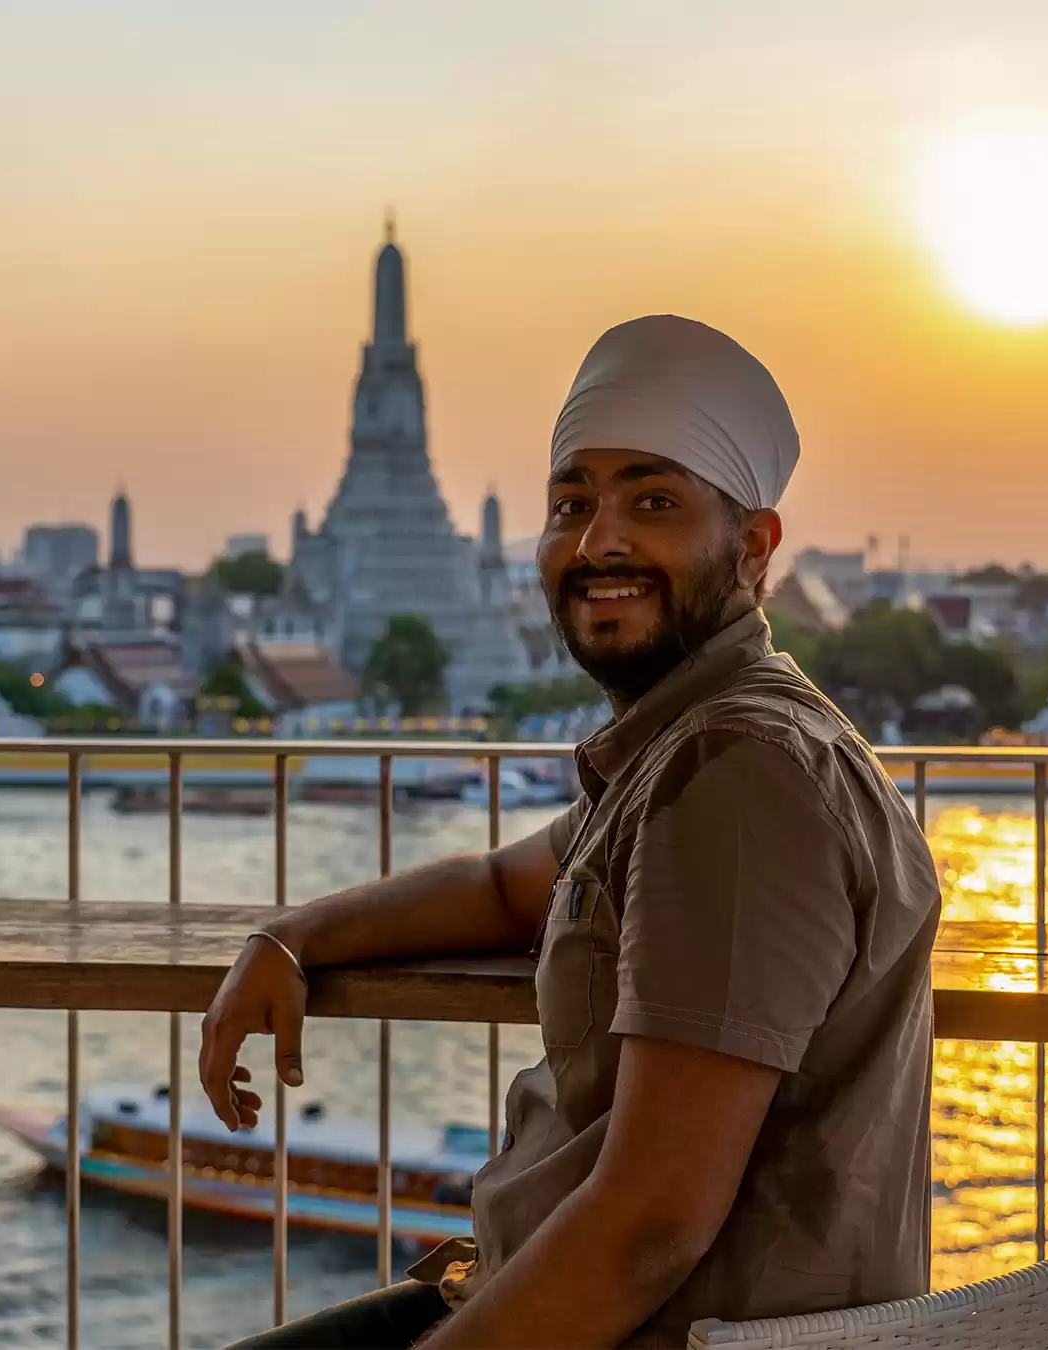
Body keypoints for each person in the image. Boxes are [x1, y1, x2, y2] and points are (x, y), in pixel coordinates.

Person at [202, 315, 941, 1350]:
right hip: (542, 1289)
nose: (601, 542)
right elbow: (511, 884)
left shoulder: (741, 777)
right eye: (572, 503)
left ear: (755, 548)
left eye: (654, 502)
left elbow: (647, 1230)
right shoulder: (683, 743)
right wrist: (292, 940)